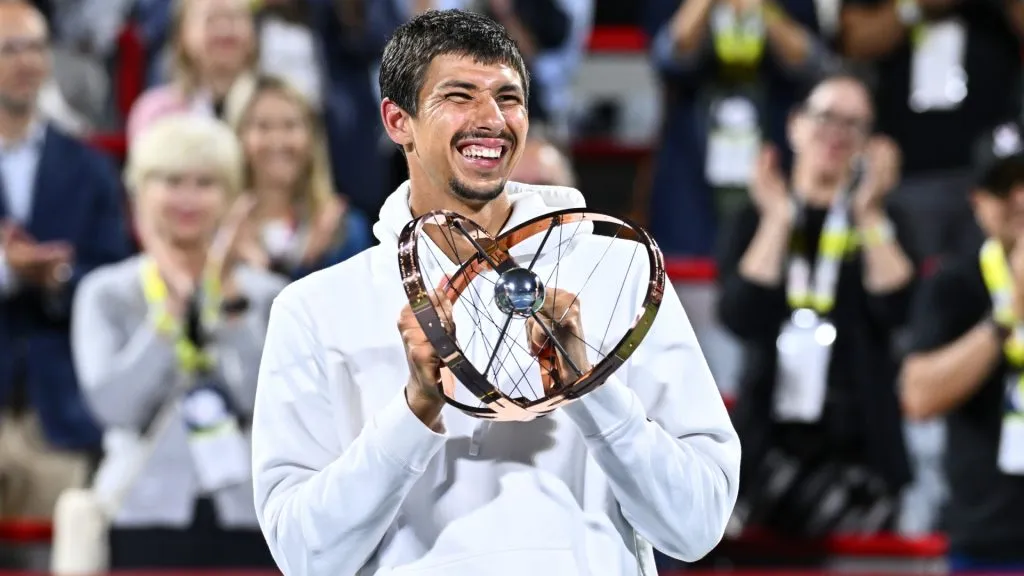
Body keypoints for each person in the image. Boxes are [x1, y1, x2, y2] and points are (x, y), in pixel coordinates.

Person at [251, 9, 740, 576]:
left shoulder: (621, 267)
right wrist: (414, 411)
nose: (491, 120)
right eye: (459, 96)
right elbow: (303, 555)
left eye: (508, 98)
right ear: (396, 119)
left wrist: (591, 387)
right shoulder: (315, 308)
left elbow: (697, 524)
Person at [71, 115, 286, 568]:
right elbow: (113, 407)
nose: (187, 198)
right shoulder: (106, 292)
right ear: (139, 192)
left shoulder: (266, 295)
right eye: (170, 181)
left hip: (248, 514)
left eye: (205, 182)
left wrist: (229, 303)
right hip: (140, 509)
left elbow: (268, 408)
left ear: (230, 196)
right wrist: (169, 311)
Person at [716, 72, 917, 538]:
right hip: (769, 445)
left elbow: (898, 308)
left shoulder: (885, 220)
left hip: (860, 449)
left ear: (870, 141)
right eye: (826, 116)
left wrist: (868, 212)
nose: (837, 133)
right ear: (795, 125)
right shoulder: (755, 217)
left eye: (854, 123)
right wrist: (779, 219)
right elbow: (740, 315)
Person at [0, 0, 132, 519]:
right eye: (9, 49)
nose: (25, 60)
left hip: (56, 417)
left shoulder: (90, 168)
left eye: (34, 46)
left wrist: (56, 275)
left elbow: (112, 278)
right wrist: (10, 271)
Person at [900, 120, 1024, 571]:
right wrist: (1009, 314)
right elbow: (919, 396)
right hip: (988, 539)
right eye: (1004, 186)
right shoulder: (955, 283)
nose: (1021, 199)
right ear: (977, 203)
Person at [228, 74, 372, 280]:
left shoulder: (344, 231)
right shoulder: (218, 227)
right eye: (263, 126)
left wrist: (316, 261)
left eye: (290, 125)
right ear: (238, 136)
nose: (278, 140)